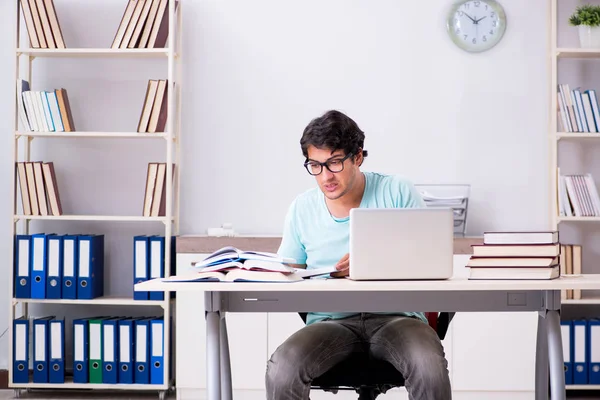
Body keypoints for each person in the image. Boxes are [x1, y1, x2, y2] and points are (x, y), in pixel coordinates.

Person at [265, 110, 451, 400]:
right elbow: (289, 273)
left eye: (335, 163)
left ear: (358, 157)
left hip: (398, 319)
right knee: (282, 370)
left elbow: (429, 260)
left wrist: (378, 261)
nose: (325, 176)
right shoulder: (302, 208)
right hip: (330, 323)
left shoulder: (397, 191)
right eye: (316, 165)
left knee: (428, 365)